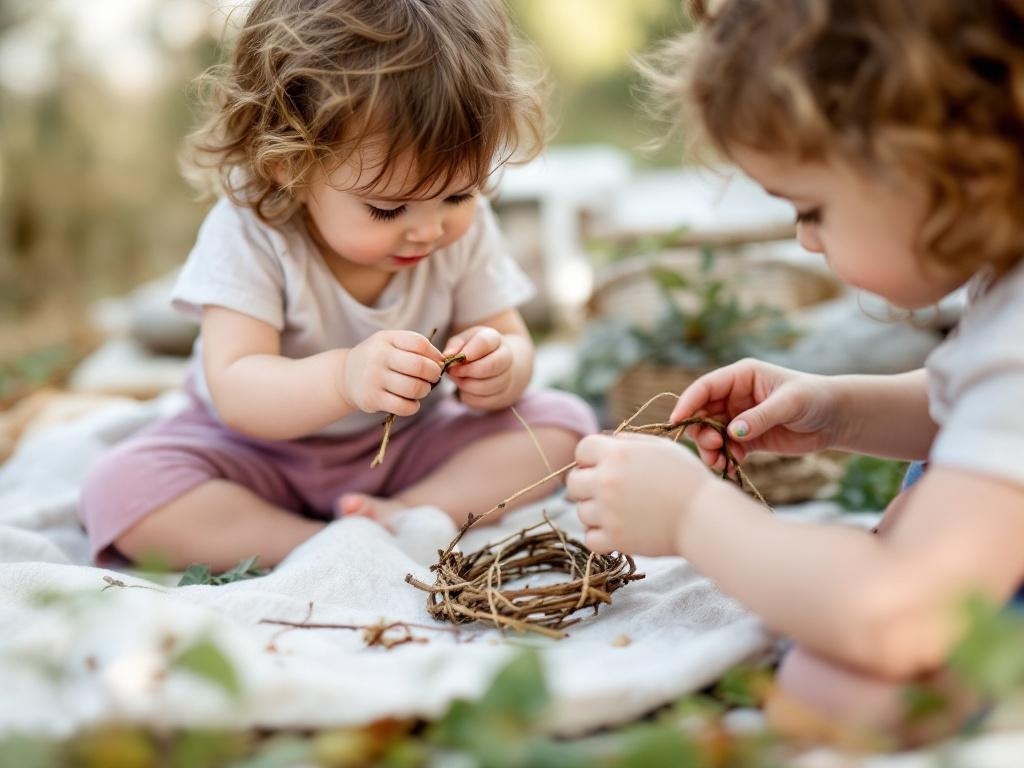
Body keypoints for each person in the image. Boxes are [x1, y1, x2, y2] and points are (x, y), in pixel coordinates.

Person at [566, 0, 1024, 743]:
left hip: (935, 609)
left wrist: (692, 516)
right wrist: (839, 411)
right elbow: (976, 415)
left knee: (833, 689)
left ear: (938, 160)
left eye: (811, 209)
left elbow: (900, 618)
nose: (807, 242)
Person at [79, 0, 596, 571]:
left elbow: (511, 341)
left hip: (404, 448)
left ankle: (402, 513)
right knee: (119, 489)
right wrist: (346, 378)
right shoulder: (251, 232)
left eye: (459, 195)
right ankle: (308, 545)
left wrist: (499, 368)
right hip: (253, 456)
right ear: (289, 166)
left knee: (563, 426)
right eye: (387, 208)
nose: (428, 228)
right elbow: (237, 389)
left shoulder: (458, 235)